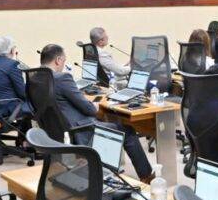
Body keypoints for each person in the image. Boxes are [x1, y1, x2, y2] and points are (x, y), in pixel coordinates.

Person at [40, 44, 153, 182]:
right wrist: (94, 104)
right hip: (81, 129)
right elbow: (90, 110)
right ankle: (146, 176)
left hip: (57, 130)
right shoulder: (62, 78)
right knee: (127, 131)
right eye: (63, 61)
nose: (63, 64)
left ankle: (107, 168)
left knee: (112, 123)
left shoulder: (36, 77)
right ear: (58, 60)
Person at [0, 36, 32, 120]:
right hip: (7, 108)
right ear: (12, 50)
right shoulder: (12, 65)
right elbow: (22, 93)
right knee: (38, 105)